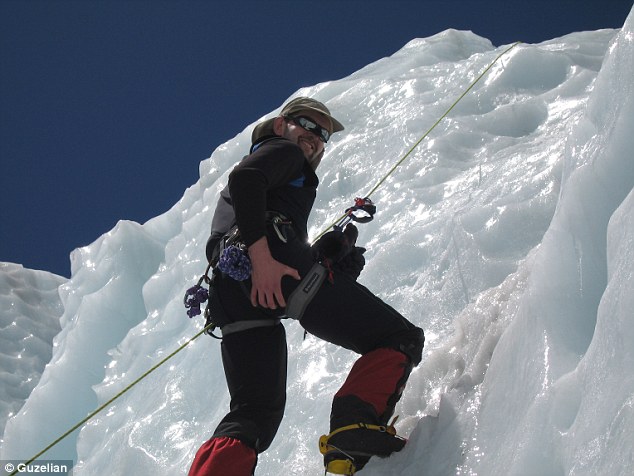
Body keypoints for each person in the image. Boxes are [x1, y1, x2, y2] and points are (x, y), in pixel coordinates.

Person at [189, 97, 424, 475]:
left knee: (253, 412)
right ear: (282, 125)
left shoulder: (275, 178)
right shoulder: (282, 151)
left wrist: (325, 257)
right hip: (262, 262)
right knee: (398, 338)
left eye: (324, 136)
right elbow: (246, 180)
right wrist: (264, 258)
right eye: (309, 126)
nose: (316, 139)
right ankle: (353, 429)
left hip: (231, 293)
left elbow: (268, 236)